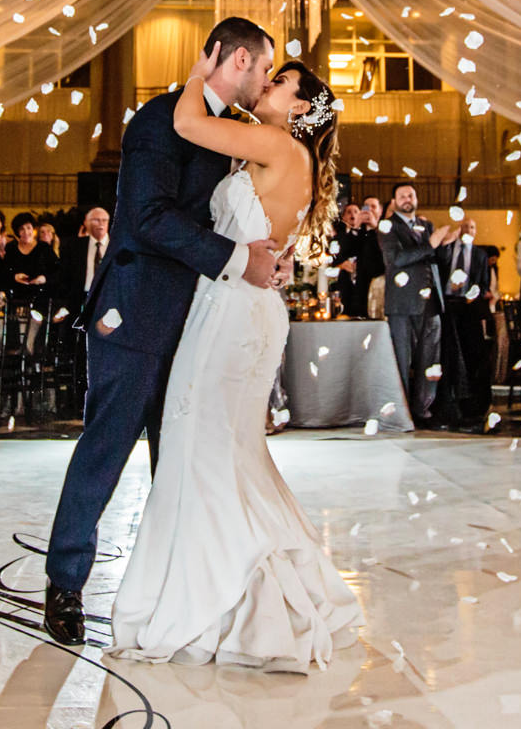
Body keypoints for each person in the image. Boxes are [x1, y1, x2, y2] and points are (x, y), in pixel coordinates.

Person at [104, 45, 361, 669]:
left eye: (280, 83)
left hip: (231, 315)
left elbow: (190, 124)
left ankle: (221, 595)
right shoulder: (289, 154)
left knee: (205, 447)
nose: (267, 85)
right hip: (245, 310)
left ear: (299, 107)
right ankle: (239, 583)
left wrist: (203, 67)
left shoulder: (276, 146)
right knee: (226, 449)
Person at [43, 16, 283, 650]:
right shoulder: (158, 122)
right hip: (135, 314)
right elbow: (149, 219)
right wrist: (238, 259)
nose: (264, 80)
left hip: (196, 322)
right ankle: (65, 581)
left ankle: (170, 588)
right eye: (262, 67)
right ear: (236, 61)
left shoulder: (229, 131)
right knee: (108, 449)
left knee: (175, 459)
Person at [378, 182, 459, 425]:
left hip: (431, 302)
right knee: (403, 360)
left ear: (416, 198)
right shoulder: (387, 227)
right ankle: (401, 414)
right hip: (403, 304)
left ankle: (424, 410)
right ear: (394, 201)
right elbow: (396, 259)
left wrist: (446, 244)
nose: (407, 198)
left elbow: (435, 260)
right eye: (401, 195)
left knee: (430, 361)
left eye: (410, 194)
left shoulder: (426, 225)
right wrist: (430, 244)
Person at [436, 217, 499, 428]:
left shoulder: (480, 255)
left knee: (473, 353)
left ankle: (474, 404)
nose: (468, 230)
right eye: (465, 226)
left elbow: (483, 284)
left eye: (472, 227)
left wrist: (472, 292)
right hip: (448, 305)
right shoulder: (446, 250)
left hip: (469, 307)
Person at [3, 212, 53, 339]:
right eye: (22, 229)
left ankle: (32, 345)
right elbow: (4, 271)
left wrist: (43, 278)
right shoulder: (11, 248)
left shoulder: (44, 247)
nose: (26, 232)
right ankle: (15, 346)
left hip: (39, 292)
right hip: (18, 292)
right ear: (17, 232)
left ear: (33, 229)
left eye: (29, 228)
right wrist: (15, 276)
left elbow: (56, 270)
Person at [358, 195, 387, 318]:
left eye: (373, 207)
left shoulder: (385, 230)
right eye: (366, 207)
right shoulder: (358, 232)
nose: (369, 210)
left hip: (378, 284)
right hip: (359, 286)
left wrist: (375, 228)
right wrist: (357, 226)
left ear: (380, 211)